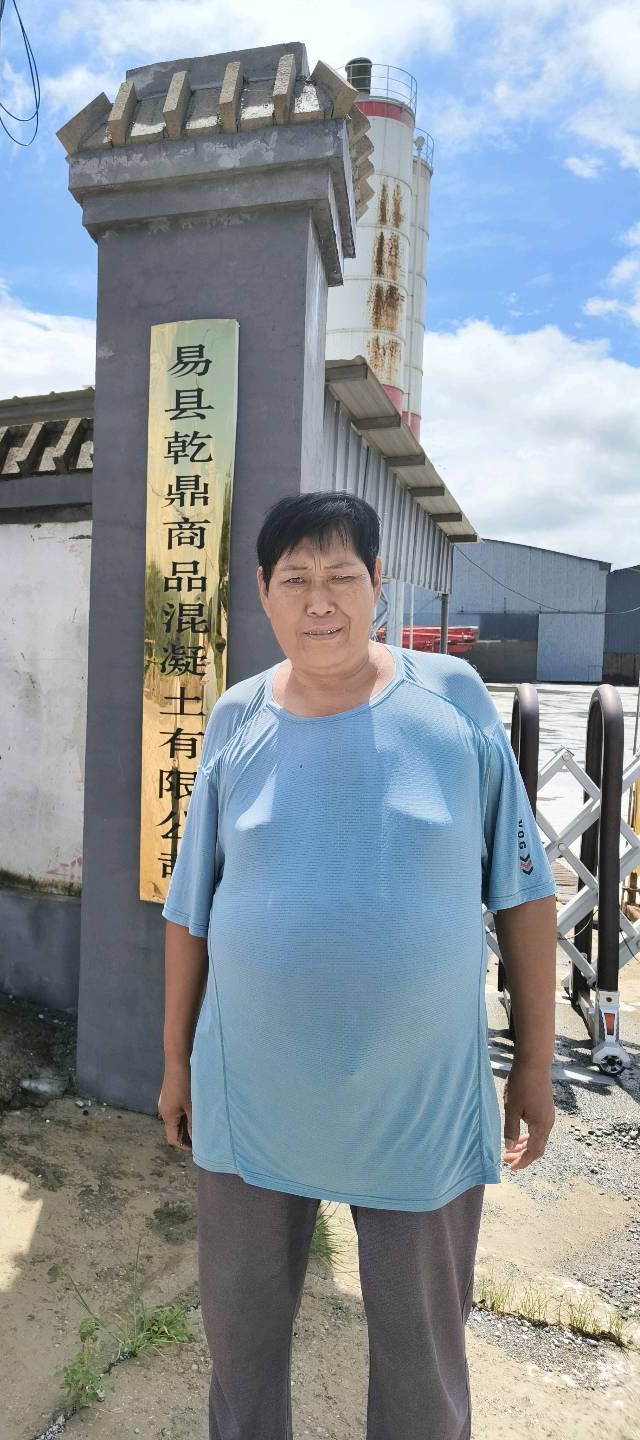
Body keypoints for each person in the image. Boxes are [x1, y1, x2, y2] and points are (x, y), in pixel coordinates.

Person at [157, 493, 558, 1440]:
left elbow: (524, 893)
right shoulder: (235, 717)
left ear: (379, 585)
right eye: (296, 579)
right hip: (251, 1091)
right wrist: (175, 1062)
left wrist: (534, 1065)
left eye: (342, 576)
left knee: (423, 1362)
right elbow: (191, 909)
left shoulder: (453, 699)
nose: (320, 601)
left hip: (420, 1097)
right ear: (262, 590)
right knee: (241, 1350)